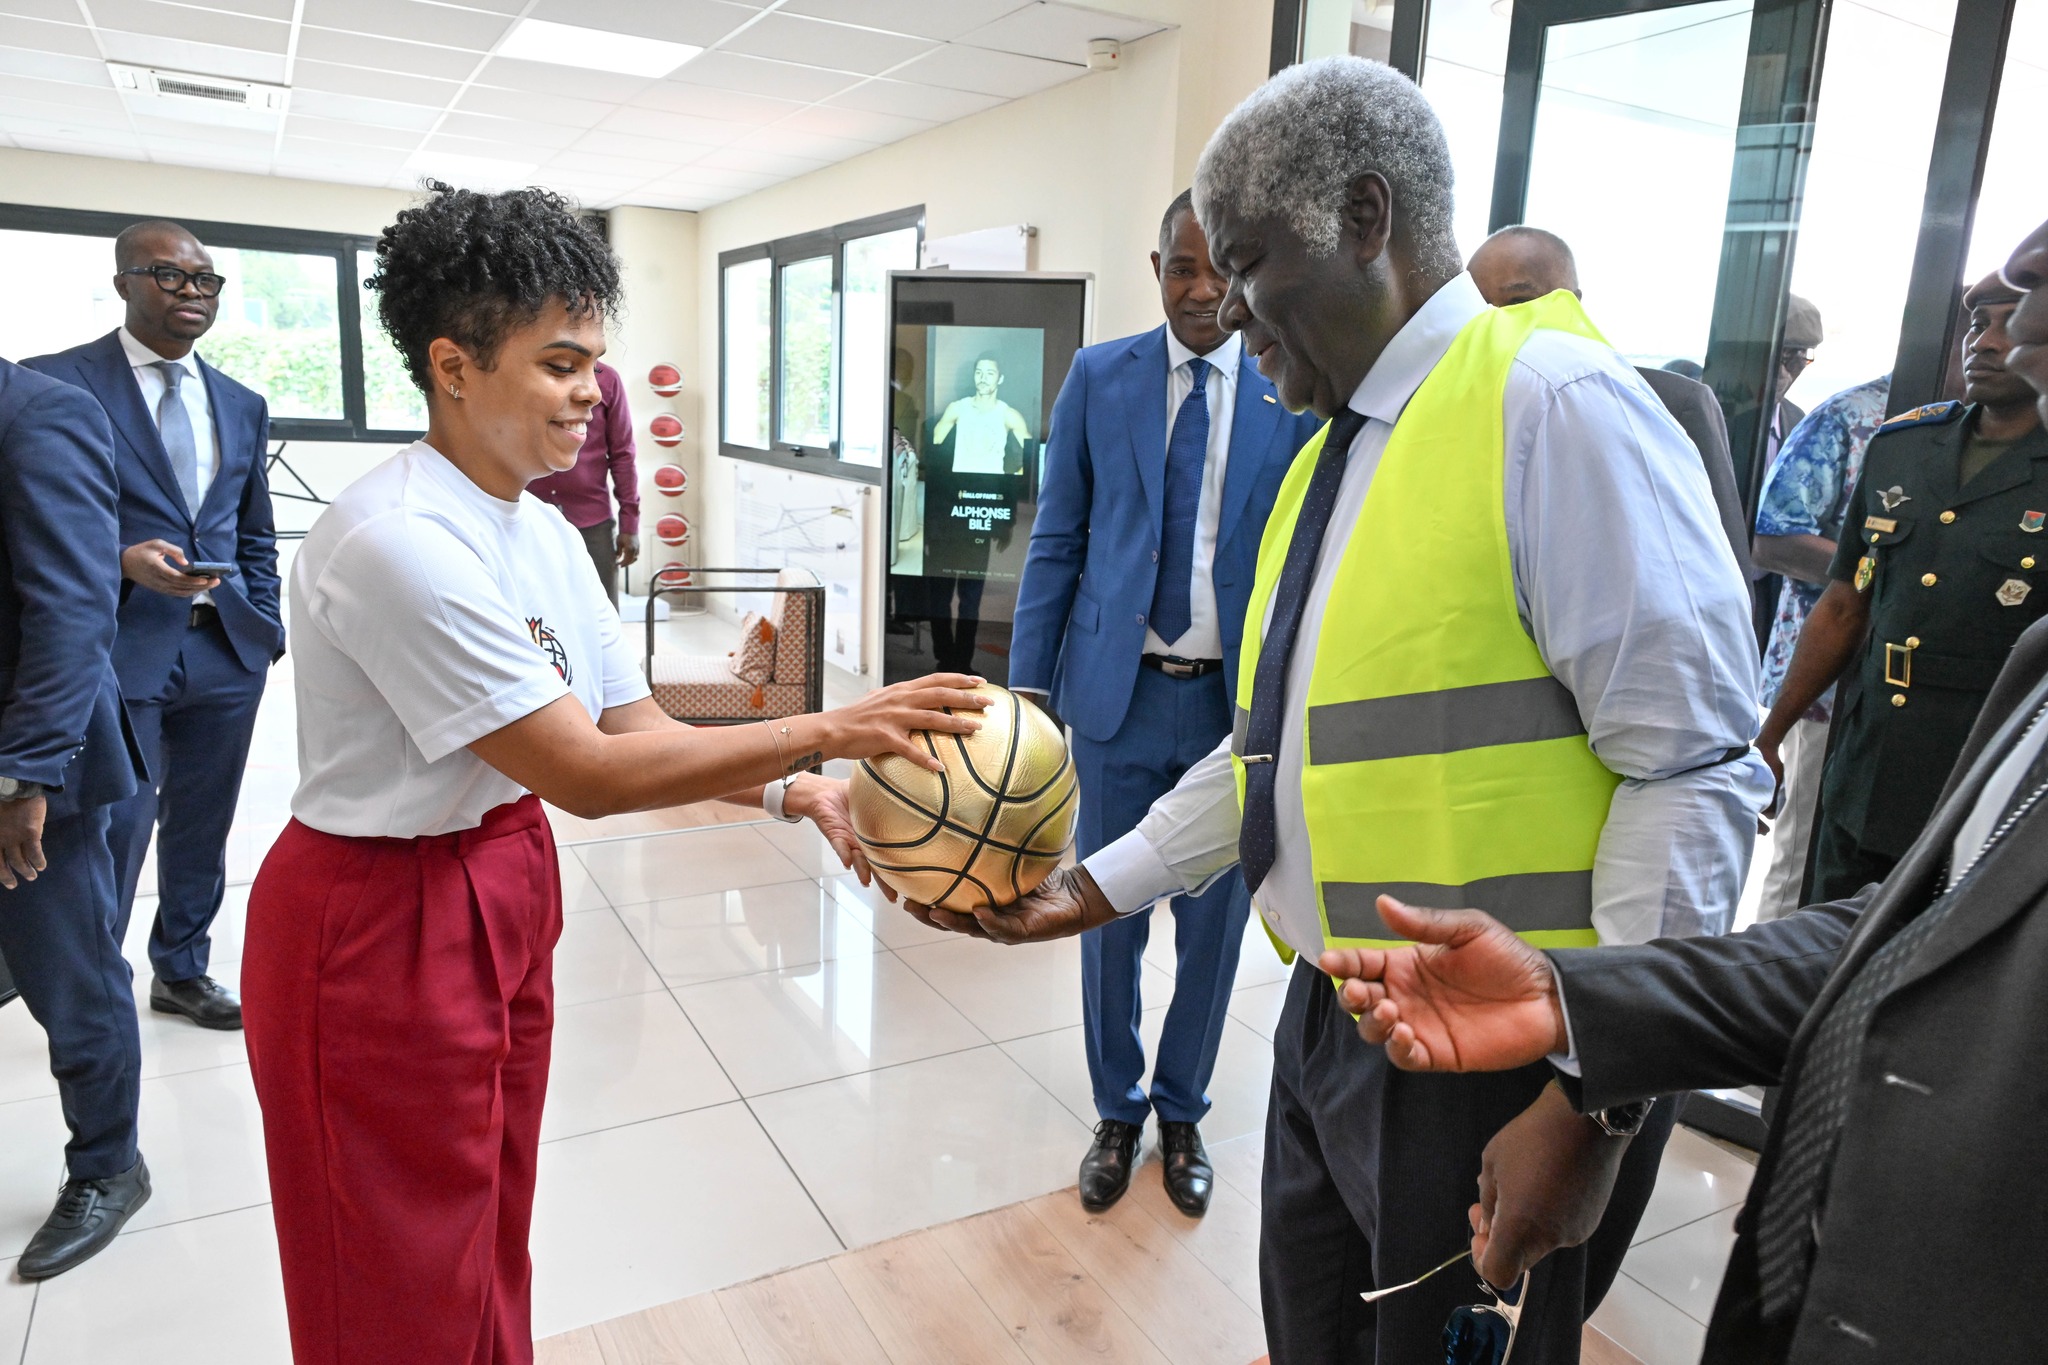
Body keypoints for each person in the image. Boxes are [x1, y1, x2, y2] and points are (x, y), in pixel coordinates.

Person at [903, 58, 1769, 1363]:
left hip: (1503, 1059)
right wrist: (1090, 891)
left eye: (1247, 262)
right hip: (1332, 1022)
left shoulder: (1557, 407)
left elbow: (1696, 775)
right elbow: (1278, 757)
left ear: (1367, 218)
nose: (1228, 304)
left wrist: (1597, 1098)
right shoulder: (1334, 452)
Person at [237, 184, 988, 1365]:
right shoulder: (395, 542)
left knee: (487, 1225)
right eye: (560, 362)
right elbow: (582, 772)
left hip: (500, 878)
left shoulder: (534, 525)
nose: (593, 391)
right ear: (453, 366)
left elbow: (632, 718)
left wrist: (802, 792)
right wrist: (826, 728)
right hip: (373, 925)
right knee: (386, 1269)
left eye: (594, 361)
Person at [1010, 189, 1320, 1217]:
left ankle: (1182, 1108)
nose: (1199, 292)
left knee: (1215, 926)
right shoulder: (1101, 377)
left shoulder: (1289, 388)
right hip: (1114, 696)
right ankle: (1116, 1107)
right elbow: (1057, 537)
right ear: (1154, 272)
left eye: (1217, 271)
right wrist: (1026, 690)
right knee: (1104, 914)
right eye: (1178, 269)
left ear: (1245, 273)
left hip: (1233, 711)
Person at [24, 219, 283, 1032]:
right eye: (170, 277)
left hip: (223, 645)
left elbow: (253, 529)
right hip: (114, 647)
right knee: (112, 831)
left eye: (206, 280)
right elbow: (23, 526)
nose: (193, 294)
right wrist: (118, 557)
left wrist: (265, 625)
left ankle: (183, 967)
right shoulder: (54, 385)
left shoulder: (241, 402)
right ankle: (95, 990)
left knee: (203, 826)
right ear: (123, 282)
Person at [1762, 272, 2046, 905]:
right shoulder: (1903, 448)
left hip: (1984, 772)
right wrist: (1772, 733)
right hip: (1868, 762)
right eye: (1977, 325)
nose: (1985, 342)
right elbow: (1843, 605)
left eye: (2011, 325)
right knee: (1820, 936)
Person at [0, 357, 150, 1278]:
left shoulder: (40, 415)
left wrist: (23, 774)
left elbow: (70, 608)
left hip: (26, 769)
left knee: (75, 978)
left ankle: (108, 1163)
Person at [1468, 225, 1752, 574]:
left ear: (1573, 301)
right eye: (1479, 307)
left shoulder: (1671, 402)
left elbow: (1726, 563)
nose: (1498, 320)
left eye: (1519, 303)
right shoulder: (1450, 404)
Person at [1749, 371, 1893, 918]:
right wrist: (1881, 577)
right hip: (1826, 685)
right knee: (1802, 865)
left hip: (1920, 700)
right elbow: (1773, 538)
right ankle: (1763, 1000)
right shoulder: (1852, 419)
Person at [525, 358, 639, 604]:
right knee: (535, 610)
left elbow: (623, 454)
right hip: (528, 517)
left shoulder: (608, 380)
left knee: (601, 610)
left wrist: (630, 524)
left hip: (592, 521)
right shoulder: (527, 375)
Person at [933, 356, 1031, 474]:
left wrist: (1015, 478)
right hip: (960, 485)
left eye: (990, 373)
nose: (983, 378)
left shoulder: (1009, 415)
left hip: (994, 487)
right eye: (979, 372)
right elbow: (933, 444)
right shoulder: (957, 408)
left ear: (1000, 379)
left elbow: (1033, 455)